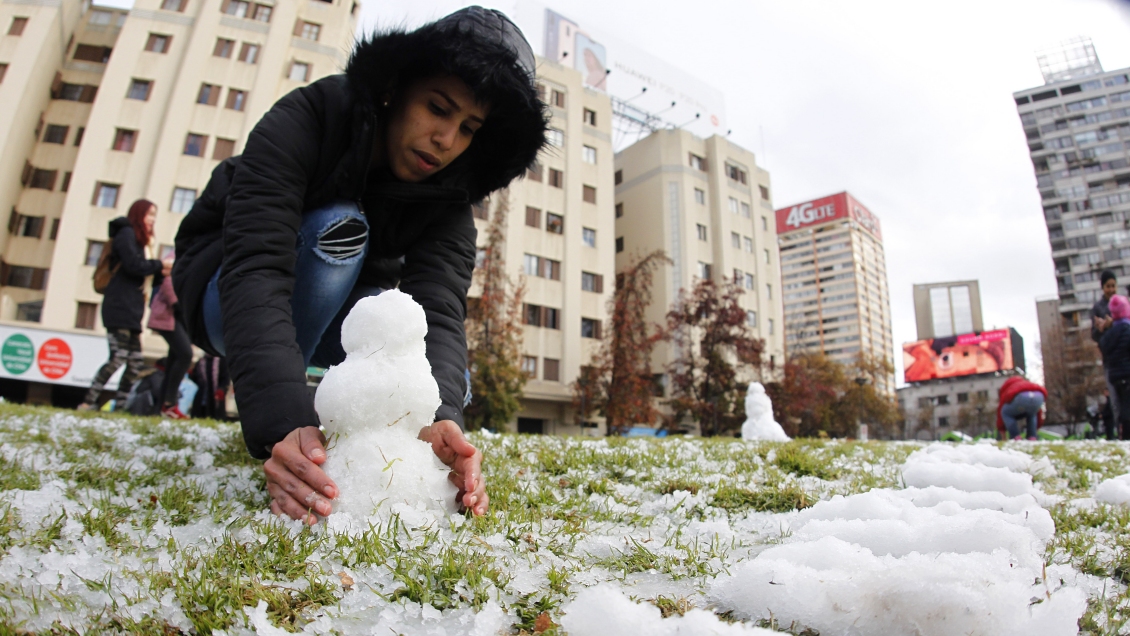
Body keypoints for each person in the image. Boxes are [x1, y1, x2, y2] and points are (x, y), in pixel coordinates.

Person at [172, 7, 547, 525]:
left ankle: (330, 413)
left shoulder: (449, 201)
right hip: (223, 293)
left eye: (468, 128)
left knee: (421, 348)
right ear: (396, 88)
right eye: (438, 108)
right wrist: (285, 421)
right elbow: (256, 268)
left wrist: (435, 422)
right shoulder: (311, 115)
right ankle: (297, 407)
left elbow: (435, 313)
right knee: (339, 228)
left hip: (339, 307)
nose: (446, 139)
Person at [79, 200, 172, 411]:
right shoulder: (126, 234)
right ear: (139, 215)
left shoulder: (144, 243)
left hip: (132, 310)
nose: (152, 220)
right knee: (118, 357)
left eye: (154, 215)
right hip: (118, 307)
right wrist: (159, 265)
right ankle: (88, 402)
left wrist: (159, 272)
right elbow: (133, 265)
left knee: (135, 362)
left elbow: (144, 275)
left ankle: (119, 407)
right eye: (149, 215)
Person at [147, 270, 192, 419]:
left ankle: (161, 407)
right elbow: (168, 280)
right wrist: (180, 305)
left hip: (176, 318)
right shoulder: (177, 254)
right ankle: (169, 404)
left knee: (174, 360)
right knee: (186, 355)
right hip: (169, 315)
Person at [1100, 294, 1130, 439]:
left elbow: (1104, 346)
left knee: (1119, 404)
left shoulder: (1110, 334)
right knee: (1127, 405)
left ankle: (1121, 431)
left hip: (1114, 375)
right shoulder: (1127, 329)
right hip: (1127, 373)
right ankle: (1127, 434)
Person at [1092, 270, 1119, 421]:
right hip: (1110, 359)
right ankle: (1121, 432)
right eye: (1108, 286)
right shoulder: (1098, 308)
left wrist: (1113, 323)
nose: (1111, 289)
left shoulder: (1123, 303)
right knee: (1115, 398)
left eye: (1113, 286)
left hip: (1126, 356)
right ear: (1102, 287)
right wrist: (1100, 328)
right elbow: (1094, 336)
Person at [995, 376, 1047, 441]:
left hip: (1021, 396)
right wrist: (1038, 426)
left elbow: (1000, 412)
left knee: (1005, 412)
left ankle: (1015, 436)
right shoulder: (1026, 383)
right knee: (1032, 413)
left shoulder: (1008, 389)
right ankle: (1032, 437)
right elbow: (1038, 411)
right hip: (1039, 394)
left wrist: (1002, 431)